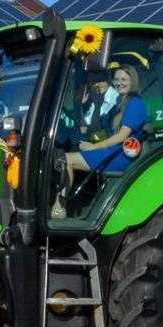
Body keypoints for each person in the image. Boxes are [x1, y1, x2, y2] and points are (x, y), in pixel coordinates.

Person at [58, 65, 146, 215]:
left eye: (124, 79)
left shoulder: (135, 103)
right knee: (69, 153)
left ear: (133, 81)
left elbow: (121, 136)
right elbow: (107, 131)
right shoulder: (122, 101)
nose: (119, 83)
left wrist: (94, 147)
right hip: (114, 150)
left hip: (120, 154)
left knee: (65, 160)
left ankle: (58, 208)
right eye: (116, 79)